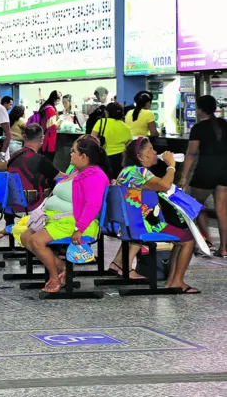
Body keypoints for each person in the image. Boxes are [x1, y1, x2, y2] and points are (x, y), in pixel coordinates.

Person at [19, 136, 110, 293]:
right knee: (25, 236)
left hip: (75, 223)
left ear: (84, 156)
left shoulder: (94, 176)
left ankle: (55, 278)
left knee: (37, 241)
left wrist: (79, 228)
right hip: (59, 221)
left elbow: (92, 205)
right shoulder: (77, 171)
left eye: (73, 152)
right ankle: (62, 268)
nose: (70, 154)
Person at [111, 138, 199, 292]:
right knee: (188, 239)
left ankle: (173, 281)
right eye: (150, 150)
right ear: (140, 156)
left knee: (182, 237)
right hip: (145, 226)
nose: (155, 152)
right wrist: (171, 165)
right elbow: (165, 185)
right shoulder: (141, 172)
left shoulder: (126, 171)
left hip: (129, 224)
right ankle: (176, 282)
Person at [180, 95, 227, 257]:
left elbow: (191, 153)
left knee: (194, 206)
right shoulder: (224, 124)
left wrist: (184, 176)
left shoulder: (198, 128)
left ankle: (204, 241)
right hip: (224, 171)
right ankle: (223, 248)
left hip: (205, 172)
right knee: (222, 211)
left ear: (200, 109)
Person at [8, 124, 62, 210]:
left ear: (24, 137)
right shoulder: (40, 160)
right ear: (41, 139)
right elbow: (61, 177)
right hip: (34, 206)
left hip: (11, 206)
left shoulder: (13, 156)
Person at [92, 102, 132, 180]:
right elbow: (129, 144)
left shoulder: (101, 122)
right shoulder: (125, 126)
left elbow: (92, 138)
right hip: (120, 158)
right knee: (117, 180)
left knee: (104, 179)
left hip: (103, 155)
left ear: (107, 112)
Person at [34, 90, 61, 161]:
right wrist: (60, 122)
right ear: (56, 99)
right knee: (48, 160)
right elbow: (52, 127)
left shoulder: (44, 107)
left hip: (43, 137)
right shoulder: (51, 109)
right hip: (49, 140)